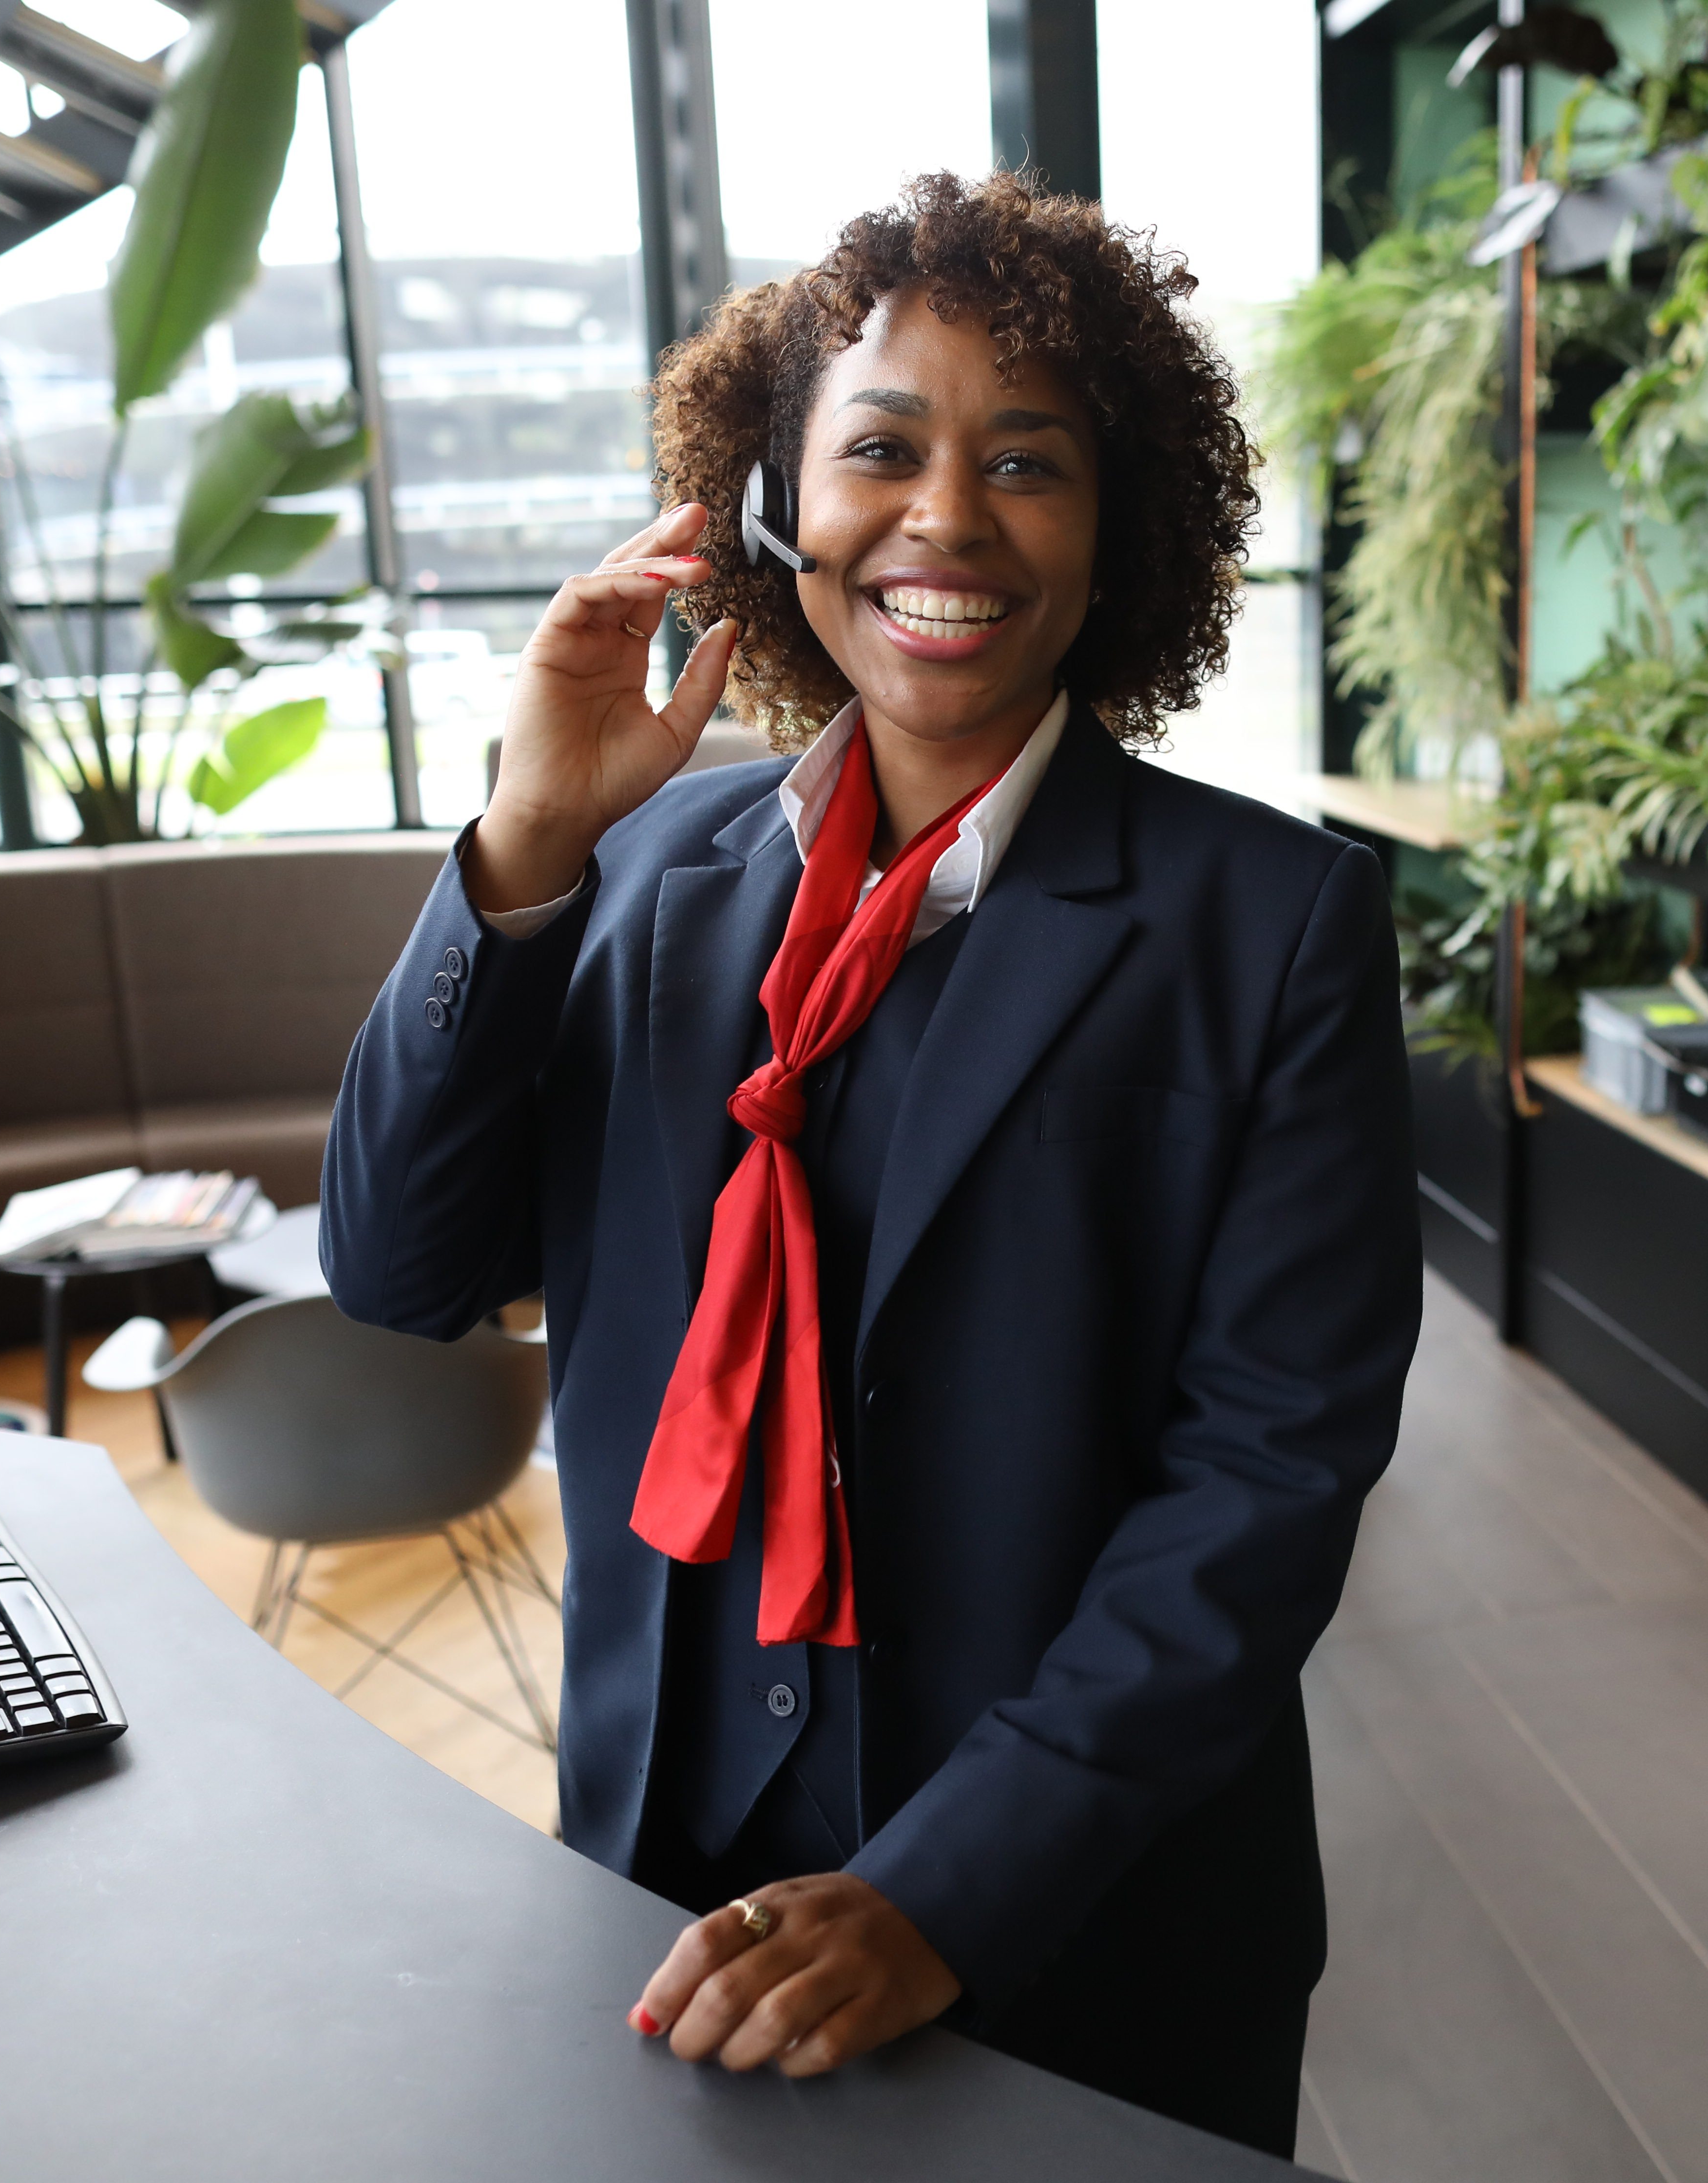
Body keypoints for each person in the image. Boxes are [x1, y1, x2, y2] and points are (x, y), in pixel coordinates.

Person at [320, 171, 1419, 2156]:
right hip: (664, 1861)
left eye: (1028, 463)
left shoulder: (1275, 925)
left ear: (1118, 532)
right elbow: (401, 1268)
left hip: (1087, 1918)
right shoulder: (639, 877)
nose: (946, 519)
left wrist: (948, 1890)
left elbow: (1265, 1480)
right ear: (769, 508)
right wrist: (520, 850)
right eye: (880, 451)